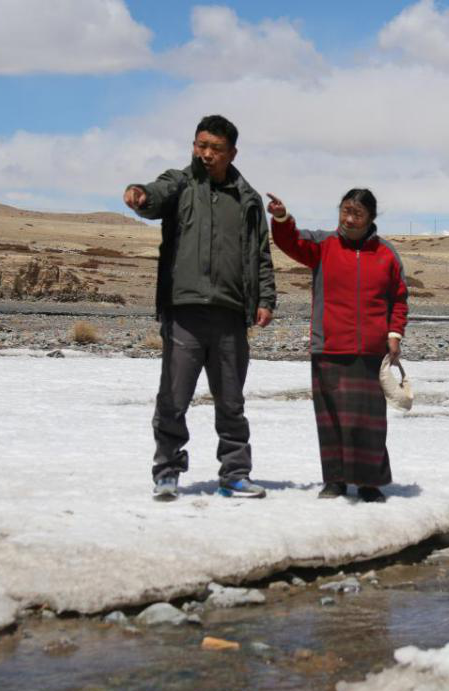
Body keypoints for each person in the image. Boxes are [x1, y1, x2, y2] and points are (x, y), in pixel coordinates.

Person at [123, 114, 276, 500]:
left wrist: (266, 299)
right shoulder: (181, 183)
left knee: (231, 401)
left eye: (215, 149)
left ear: (232, 153)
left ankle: (235, 474)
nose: (206, 154)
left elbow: (260, 255)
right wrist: (140, 194)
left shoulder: (248, 199)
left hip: (229, 314)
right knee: (173, 398)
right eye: (200, 145)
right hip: (184, 311)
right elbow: (156, 194)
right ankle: (167, 471)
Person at [267, 189, 408, 502]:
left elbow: (399, 298)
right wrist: (280, 217)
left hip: (371, 351)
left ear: (371, 217)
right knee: (331, 420)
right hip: (329, 348)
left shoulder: (386, 254)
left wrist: (394, 334)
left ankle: (370, 483)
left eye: (357, 213)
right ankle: (335, 481)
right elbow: (290, 241)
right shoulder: (322, 245)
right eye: (345, 211)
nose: (348, 219)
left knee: (370, 424)